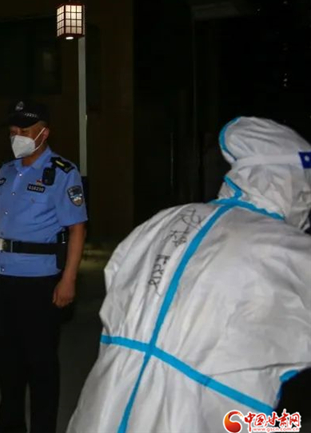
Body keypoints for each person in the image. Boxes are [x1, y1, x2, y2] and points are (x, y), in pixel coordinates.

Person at [67, 117, 311, 433]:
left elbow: (118, 289)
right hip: (200, 412)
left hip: (109, 398)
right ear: (287, 181)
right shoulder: (288, 249)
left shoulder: (163, 221)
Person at [0, 99, 88, 433]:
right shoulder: (6, 171)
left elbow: (77, 228)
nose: (17, 136)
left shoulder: (62, 173)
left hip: (40, 282)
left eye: (24, 130)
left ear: (44, 132)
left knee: (41, 364)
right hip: (4, 279)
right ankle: (10, 424)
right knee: (7, 360)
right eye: (13, 130)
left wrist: (68, 279)